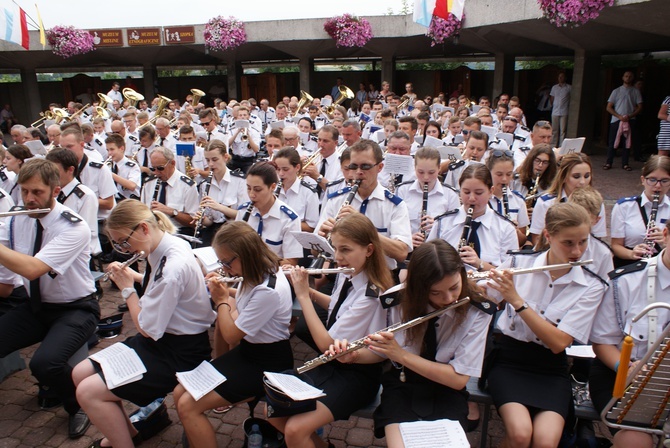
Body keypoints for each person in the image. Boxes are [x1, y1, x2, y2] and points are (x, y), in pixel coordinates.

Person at [73, 200, 213, 448]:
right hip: (163, 342)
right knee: (79, 372)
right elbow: (157, 290)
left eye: (124, 242)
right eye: (117, 244)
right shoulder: (164, 244)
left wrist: (128, 290)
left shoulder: (173, 265)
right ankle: (129, 433)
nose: (123, 249)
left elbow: (146, 329)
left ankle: (123, 443)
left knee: (88, 392)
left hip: (179, 352)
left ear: (144, 228)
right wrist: (132, 276)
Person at [326, 240, 492, 444]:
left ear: (462, 276)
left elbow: (458, 380)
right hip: (402, 384)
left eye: (454, 287)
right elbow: (382, 352)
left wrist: (401, 354)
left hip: (447, 391)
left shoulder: (477, 310)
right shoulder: (396, 300)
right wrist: (354, 356)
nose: (448, 298)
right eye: (435, 292)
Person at [485, 202, 607, 448]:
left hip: (551, 368)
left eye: (583, 242)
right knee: (520, 434)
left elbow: (559, 342)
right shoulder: (519, 264)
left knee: (546, 441)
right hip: (510, 359)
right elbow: (485, 298)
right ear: (548, 236)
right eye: (569, 242)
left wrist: (517, 301)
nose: (578, 250)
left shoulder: (592, 285)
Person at [269, 213, 394, 447]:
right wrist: (310, 291)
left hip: (356, 375)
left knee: (295, 430)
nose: (338, 257)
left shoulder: (371, 294)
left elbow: (326, 345)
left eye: (345, 250)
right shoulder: (350, 273)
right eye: (335, 249)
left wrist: (304, 296)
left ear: (369, 250)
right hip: (331, 364)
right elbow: (339, 308)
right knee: (274, 409)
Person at [0, 159, 100, 439]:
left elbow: (32, 269)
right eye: (24, 192)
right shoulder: (15, 218)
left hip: (76, 309)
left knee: (44, 364)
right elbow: (8, 272)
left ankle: (79, 405)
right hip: (35, 306)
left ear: (55, 191)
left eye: (37, 193)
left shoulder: (73, 226)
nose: (30, 200)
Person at [174, 222, 293, 448]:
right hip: (250, 353)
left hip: (268, 363)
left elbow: (230, 335)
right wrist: (216, 287)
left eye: (226, 262)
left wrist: (220, 300)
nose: (224, 268)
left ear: (245, 255)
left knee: (188, 405)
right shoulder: (257, 270)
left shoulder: (268, 290)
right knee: (180, 391)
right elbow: (241, 302)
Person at [589, 224, 670, 448]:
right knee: (635, 440)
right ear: (666, 235)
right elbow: (602, 342)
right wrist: (626, 368)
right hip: (620, 378)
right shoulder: (628, 280)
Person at [317, 139, 412, 270]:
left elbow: (401, 253)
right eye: (354, 166)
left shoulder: (395, 205)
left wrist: (365, 228)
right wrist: (323, 238)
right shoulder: (336, 200)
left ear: (379, 167)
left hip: (381, 277)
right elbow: (314, 251)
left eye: (365, 166)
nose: (359, 172)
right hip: (342, 274)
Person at [427, 164, 519, 270]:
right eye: (466, 192)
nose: (471, 198)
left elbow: (509, 274)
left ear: (491, 191)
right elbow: (428, 263)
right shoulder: (442, 223)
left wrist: (479, 263)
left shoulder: (506, 228)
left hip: (487, 285)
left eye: (478, 193)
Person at [530, 152, 607, 245]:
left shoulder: (596, 203)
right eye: (576, 176)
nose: (582, 182)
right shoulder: (545, 202)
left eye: (587, 176)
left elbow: (597, 239)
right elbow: (537, 239)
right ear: (564, 177)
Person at [236, 161, 302, 265]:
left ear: (272, 187)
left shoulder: (289, 219)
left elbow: (291, 262)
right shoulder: (242, 211)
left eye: (257, 189)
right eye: (249, 188)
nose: (251, 195)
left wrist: (260, 261)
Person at [610, 155, 670, 267]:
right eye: (652, 180)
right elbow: (616, 246)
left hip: (663, 266)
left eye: (664, 181)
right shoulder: (624, 206)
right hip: (629, 265)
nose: (658, 186)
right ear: (643, 180)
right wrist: (631, 253)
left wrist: (665, 242)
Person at [396, 147, 460, 247]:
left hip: (438, 254)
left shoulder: (450, 194)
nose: (426, 177)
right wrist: (407, 239)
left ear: (439, 168)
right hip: (407, 251)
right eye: (420, 172)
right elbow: (394, 225)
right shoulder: (402, 190)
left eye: (431, 172)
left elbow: (456, 232)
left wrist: (438, 227)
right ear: (414, 168)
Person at [193, 139, 248, 246]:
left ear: (225, 157)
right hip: (213, 232)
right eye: (207, 160)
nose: (211, 164)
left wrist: (219, 207)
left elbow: (245, 215)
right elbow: (210, 221)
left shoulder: (240, 181)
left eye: (214, 159)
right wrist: (202, 219)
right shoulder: (205, 185)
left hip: (235, 232)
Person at [140, 146, 199, 235]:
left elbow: (193, 222)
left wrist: (171, 212)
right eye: (153, 169)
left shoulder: (187, 186)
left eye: (160, 168)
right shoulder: (149, 183)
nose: (156, 172)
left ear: (172, 163)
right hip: (153, 231)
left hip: (177, 232)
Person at [487, 150, 530, 246]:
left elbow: (522, 241)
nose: (504, 179)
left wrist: (515, 231)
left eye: (509, 174)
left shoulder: (518, 200)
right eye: (499, 174)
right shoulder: (481, 199)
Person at [274, 146, 320, 232]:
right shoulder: (272, 189)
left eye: (285, 169)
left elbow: (311, 227)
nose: (281, 174)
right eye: (278, 169)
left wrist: (285, 222)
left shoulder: (309, 193)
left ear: (297, 167)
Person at [604, 71, 643, 171]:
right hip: (616, 120)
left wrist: (630, 116)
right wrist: (619, 116)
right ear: (623, 77)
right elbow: (609, 107)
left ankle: (625, 163)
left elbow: (640, 107)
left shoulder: (635, 91)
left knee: (627, 142)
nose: (628, 78)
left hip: (630, 119)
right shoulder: (616, 91)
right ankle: (609, 162)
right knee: (612, 141)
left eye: (630, 76)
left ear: (632, 78)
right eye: (626, 76)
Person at [550, 73, 571, 148]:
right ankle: (553, 145)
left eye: (562, 77)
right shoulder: (554, 87)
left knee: (563, 130)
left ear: (565, 78)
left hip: (564, 111)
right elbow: (552, 98)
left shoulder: (569, 88)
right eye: (559, 77)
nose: (560, 78)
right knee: (554, 130)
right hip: (555, 111)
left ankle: (561, 146)